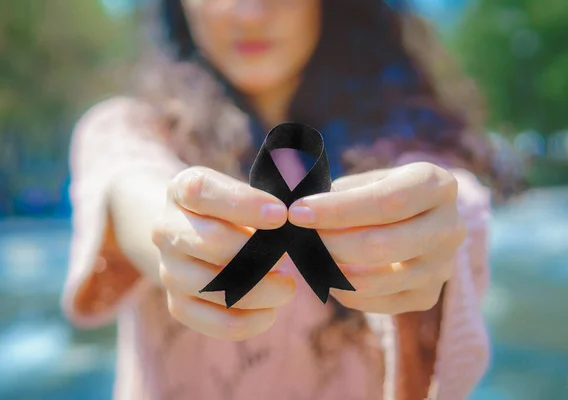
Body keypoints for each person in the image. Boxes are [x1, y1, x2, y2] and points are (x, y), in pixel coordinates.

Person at [61, 1, 504, 399]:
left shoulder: (406, 139)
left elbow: (447, 191)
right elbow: (129, 184)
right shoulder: (128, 128)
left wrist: (430, 221)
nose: (251, 12)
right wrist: (174, 232)